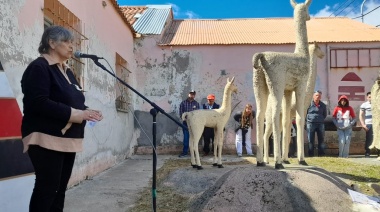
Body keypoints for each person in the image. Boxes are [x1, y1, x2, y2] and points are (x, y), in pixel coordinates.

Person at [21, 26, 103, 211]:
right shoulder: (39, 67)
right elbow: (38, 103)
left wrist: (88, 111)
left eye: (72, 42)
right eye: (66, 42)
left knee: (60, 191)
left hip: (68, 139)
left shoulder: (67, 71)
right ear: (51, 43)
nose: (71, 46)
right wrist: (78, 114)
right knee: (47, 189)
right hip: (46, 138)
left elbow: (73, 101)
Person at [179, 90, 200, 157]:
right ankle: (185, 152)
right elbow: (181, 114)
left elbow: (198, 113)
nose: (192, 95)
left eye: (193, 94)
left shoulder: (196, 104)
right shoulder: (183, 103)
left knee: (194, 138)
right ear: (188, 94)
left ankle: (193, 152)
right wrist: (186, 119)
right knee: (186, 138)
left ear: (195, 95)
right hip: (186, 123)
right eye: (191, 94)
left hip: (194, 124)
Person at [306, 90, 327, 157]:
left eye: (319, 96)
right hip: (310, 124)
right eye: (316, 95)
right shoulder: (308, 104)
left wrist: (320, 119)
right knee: (310, 140)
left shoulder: (323, 105)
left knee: (321, 140)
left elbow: (325, 114)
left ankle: (321, 154)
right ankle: (311, 155)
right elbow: (305, 113)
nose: (318, 97)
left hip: (320, 124)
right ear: (313, 96)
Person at [360, 92, 373, 158]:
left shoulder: (377, 104)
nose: (371, 98)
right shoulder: (364, 105)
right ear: (367, 97)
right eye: (370, 97)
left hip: (377, 124)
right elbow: (360, 115)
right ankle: (367, 152)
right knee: (369, 139)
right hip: (368, 124)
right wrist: (363, 124)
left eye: (372, 96)